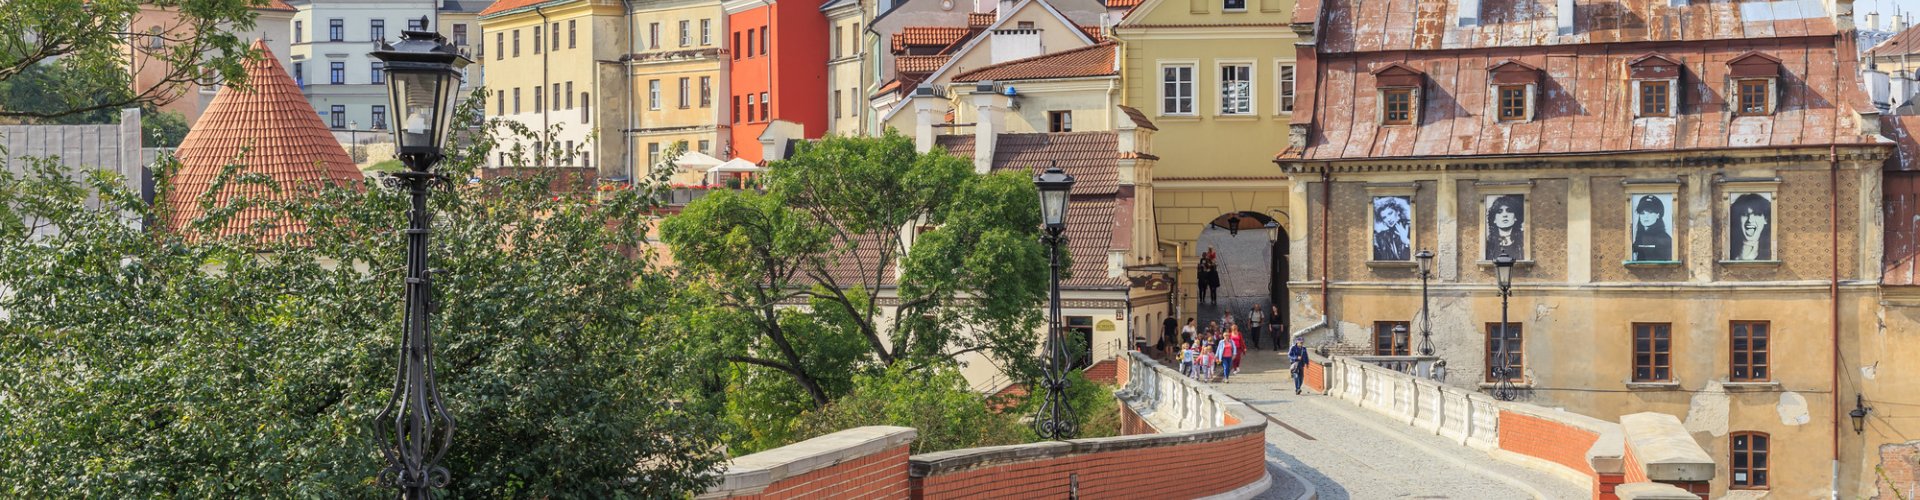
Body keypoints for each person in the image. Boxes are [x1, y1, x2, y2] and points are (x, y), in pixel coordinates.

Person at [1729, 193, 1772, 261]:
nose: (1750, 220)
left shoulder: (1771, 254)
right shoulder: (1729, 253)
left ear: (1765, 219)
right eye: (1744, 214)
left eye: (1756, 214)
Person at [1631, 194, 1673, 262]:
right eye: (1642, 213)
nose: (1646, 216)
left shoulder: (1665, 239)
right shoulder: (1639, 238)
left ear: (1658, 215)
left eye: (1650, 212)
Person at [1484, 194, 1525, 260]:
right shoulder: (1489, 244)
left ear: (1515, 217)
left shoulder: (1523, 240)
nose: (1505, 215)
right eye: (1499, 212)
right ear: (1494, 219)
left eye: (1509, 211)